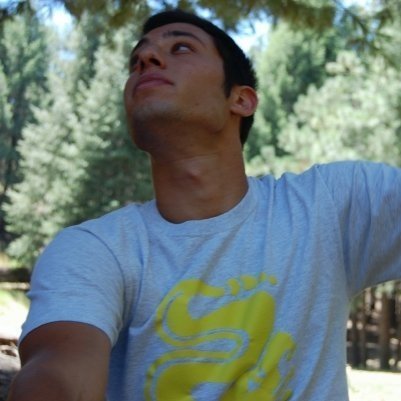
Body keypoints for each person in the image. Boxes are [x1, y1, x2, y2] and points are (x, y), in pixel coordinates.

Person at [7, 8, 401, 401]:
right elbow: (61, 372)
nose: (145, 58)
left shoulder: (328, 207)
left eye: (180, 47)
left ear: (241, 100)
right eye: (136, 59)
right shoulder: (94, 250)